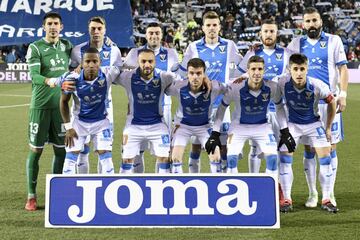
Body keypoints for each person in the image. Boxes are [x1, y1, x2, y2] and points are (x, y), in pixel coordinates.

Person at [287, 7, 348, 208]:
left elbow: (343, 68)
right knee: (309, 149)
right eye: (308, 21)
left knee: (330, 148)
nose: (311, 24)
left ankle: (328, 193)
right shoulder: (297, 43)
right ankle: (313, 193)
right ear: (302, 24)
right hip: (306, 105)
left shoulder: (334, 40)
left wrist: (343, 94)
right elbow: (281, 59)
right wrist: (257, 48)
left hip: (329, 103)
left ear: (320, 21)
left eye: (314, 20)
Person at [179, 11, 242, 173]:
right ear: (203, 28)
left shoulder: (229, 45)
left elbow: (242, 67)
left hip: (223, 104)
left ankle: (224, 178)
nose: (212, 28)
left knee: (224, 144)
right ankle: (195, 178)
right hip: (200, 105)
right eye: (208, 25)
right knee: (196, 145)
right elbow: (182, 72)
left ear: (220, 27)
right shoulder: (193, 47)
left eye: (215, 25)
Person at [276, 53, 337, 213]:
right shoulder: (281, 82)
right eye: (295, 69)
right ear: (289, 69)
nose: (299, 73)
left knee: (326, 160)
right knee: (284, 159)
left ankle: (326, 199)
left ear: (307, 69)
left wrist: (329, 127)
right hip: (293, 125)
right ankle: (287, 199)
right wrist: (284, 130)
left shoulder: (317, 85)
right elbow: (276, 103)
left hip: (314, 124)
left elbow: (332, 102)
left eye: (302, 69)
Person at [205, 55, 288, 174]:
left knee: (273, 159)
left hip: (262, 127)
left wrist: (285, 130)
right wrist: (215, 132)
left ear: (264, 70)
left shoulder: (272, 87)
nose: (256, 73)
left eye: (260, 69)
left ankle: (268, 191)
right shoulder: (235, 87)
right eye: (253, 69)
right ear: (247, 71)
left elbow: (279, 107)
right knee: (231, 160)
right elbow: (222, 108)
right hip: (238, 127)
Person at [24, 12, 72, 211]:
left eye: (56, 24)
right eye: (49, 24)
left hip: (61, 107)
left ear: (61, 27)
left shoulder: (67, 46)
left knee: (61, 151)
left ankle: (56, 192)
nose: (53, 27)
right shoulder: (35, 47)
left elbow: (85, 56)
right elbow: (34, 75)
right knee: (36, 151)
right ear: (44, 27)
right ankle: (31, 196)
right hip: (41, 107)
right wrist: (50, 81)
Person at [238, 19, 293, 173]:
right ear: (260, 34)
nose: (269, 34)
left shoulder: (287, 54)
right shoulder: (252, 53)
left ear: (277, 34)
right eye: (266, 31)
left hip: (278, 109)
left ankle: (278, 186)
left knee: (280, 150)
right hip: (256, 109)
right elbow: (240, 75)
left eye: (272, 31)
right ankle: (252, 182)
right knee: (255, 150)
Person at [123, 22, 178, 173]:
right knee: (137, 149)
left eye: (157, 33)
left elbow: (176, 78)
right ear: (146, 35)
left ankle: (158, 180)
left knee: (162, 151)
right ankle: (138, 179)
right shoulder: (135, 52)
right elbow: (124, 72)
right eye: (151, 33)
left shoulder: (171, 53)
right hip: (138, 107)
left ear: (161, 35)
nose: (154, 36)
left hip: (163, 107)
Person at [70, 16, 122, 174]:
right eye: (93, 28)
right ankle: (83, 186)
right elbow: (71, 74)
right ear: (89, 30)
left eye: (99, 28)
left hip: (105, 110)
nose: (96, 31)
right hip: (81, 109)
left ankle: (102, 189)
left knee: (104, 150)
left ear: (105, 30)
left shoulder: (114, 51)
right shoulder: (77, 50)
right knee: (82, 149)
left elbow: (118, 75)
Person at [60, 48, 115, 175]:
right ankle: (68, 193)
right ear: (82, 63)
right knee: (70, 158)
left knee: (106, 156)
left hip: (101, 123)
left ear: (100, 62)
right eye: (87, 61)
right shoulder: (72, 79)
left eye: (94, 61)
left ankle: (108, 190)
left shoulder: (108, 74)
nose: (91, 65)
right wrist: (68, 127)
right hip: (79, 123)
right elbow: (63, 102)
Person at [166, 58, 224, 173]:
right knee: (175, 158)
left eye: (199, 73)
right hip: (183, 126)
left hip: (204, 126)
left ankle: (215, 187)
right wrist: (172, 74)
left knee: (216, 157)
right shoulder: (178, 87)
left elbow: (233, 88)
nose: (195, 77)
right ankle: (180, 187)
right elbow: (162, 87)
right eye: (191, 73)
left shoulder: (215, 87)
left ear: (204, 74)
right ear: (187, 74)